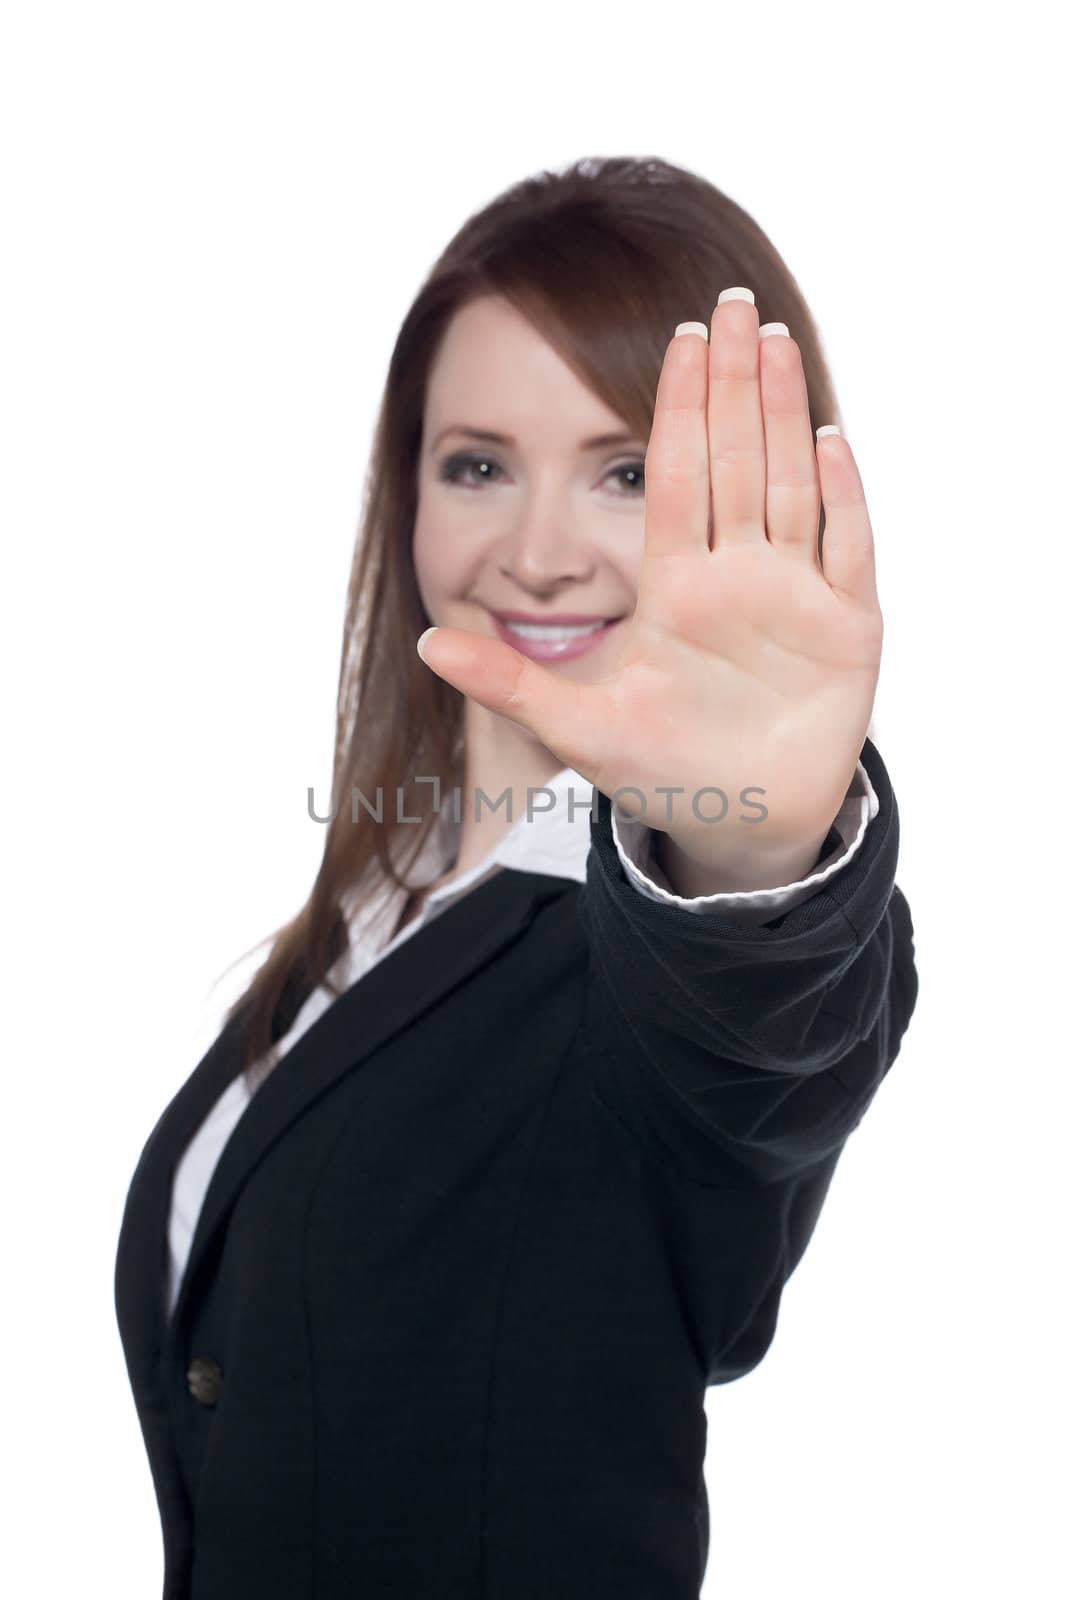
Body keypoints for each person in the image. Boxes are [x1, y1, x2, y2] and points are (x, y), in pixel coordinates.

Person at [114, 154, 919, 1600]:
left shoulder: (662, 933)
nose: (538, 553)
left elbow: (767, 1026)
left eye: (622, 473)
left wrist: (755, 838)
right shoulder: (373, 905)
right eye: (477, 464)